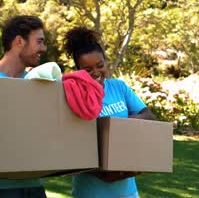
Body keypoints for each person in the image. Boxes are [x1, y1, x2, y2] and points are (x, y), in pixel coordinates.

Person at [63, 26, 155, 198]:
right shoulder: (75, 96)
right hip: (91, 191)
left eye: (100, 65)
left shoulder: (118, 87)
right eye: (88, 70)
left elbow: (148, 115)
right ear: (78, 70)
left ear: (106, 61)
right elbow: (72, 147)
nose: (96, 73)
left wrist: (120, 126)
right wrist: (103, 173)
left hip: (127, 191)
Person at [0, 15, 47, 197]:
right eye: (39, 42)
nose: (44, 48)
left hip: (33, 186)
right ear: (19, 41)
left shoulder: (40, 84)